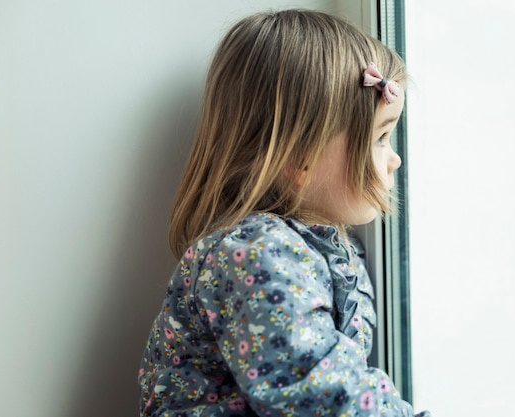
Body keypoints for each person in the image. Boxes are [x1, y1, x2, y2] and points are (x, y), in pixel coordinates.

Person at [138, 9, 430, 417]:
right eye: (379, 137)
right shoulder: (256, 255)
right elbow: (316, 387)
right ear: (300, 160)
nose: (394, 158)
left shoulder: (325, 249)